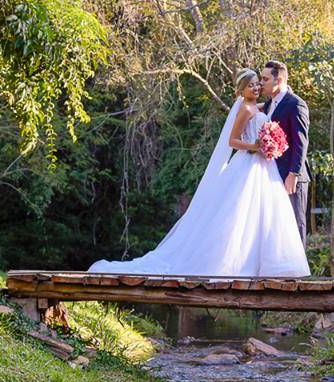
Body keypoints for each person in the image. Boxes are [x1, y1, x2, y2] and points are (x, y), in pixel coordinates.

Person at [88, 68, 310, 278]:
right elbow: (232, 140)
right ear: (240, 90)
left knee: (267, 211)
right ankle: (231, 263)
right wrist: (256, 146)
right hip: (249, 161)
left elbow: (274, 109)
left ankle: (271, 265)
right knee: (238, 212)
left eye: (257, 84)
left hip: (264, 166)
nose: (256, 87)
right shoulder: (243, 109)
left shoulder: (261, 106)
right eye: (250, 85)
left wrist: (272, 142)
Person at [259, 60, 311, 245]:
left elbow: (301, 142)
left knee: (295, 224)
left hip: (292, 176)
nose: (261, 82)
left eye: (265, 79)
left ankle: (298, 274)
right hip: (272, 174)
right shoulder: (268, 104)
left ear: (278, 80)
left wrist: (293, 174)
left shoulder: (296, 104)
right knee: (276, 225)